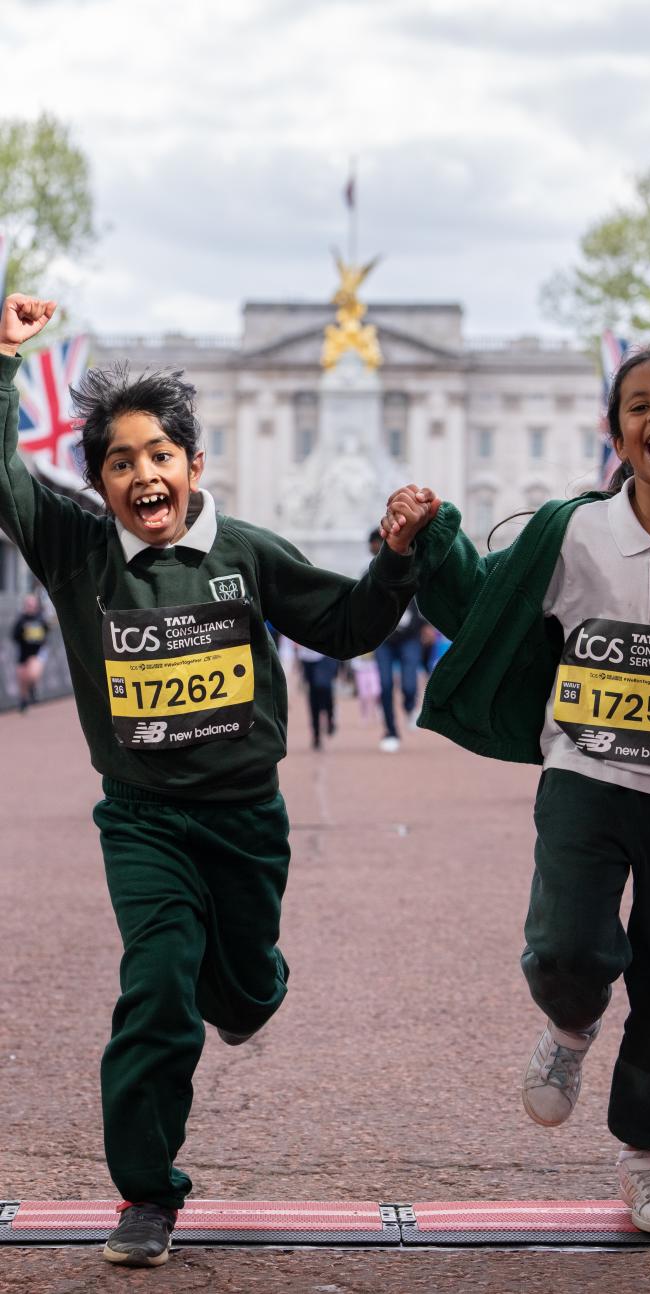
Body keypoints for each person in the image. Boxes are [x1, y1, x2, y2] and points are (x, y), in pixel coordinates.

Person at [0, 294, 431, 1268]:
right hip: (144, 820)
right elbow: (2, 478)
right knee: (156, 986)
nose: (143, 473)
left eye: (159, 454)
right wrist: (3, 362)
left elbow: (351, 625)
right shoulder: (76, 554)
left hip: (245, 820)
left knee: (240, 995)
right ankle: (147, 1193)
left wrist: (396, 557)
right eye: (120, 460)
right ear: (99, 482)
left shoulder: (246, 551)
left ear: (195, 466)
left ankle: (252, 985)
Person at [382, 345, 650, 1235]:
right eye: (638, 405)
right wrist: (433, 537)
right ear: (618, 435)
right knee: (564, 945)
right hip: (585, 773)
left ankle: (647, 1161)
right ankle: (568, 1028)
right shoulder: (573, 530)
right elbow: (489, 610)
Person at [367, 527, 425, 752]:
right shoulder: (370, 572)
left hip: (410, 636)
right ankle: (390, 731)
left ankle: (410, 705)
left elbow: (424, 600)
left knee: (409, 684)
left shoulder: (412, 568)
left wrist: (427, 627)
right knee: (385, 683)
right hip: (383, 639)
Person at [12, 590, 49, 711]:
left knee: (32, 674)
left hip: (37, 653)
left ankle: (33, 688)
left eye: (33, 604)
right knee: (22, 679)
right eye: (28, 604)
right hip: (23, 653)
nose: (31, 607)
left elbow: (46, 632)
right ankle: (23, 701)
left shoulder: (41, 619)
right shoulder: (21, 620)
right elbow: (14, 636)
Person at [297, 645, 338, 749]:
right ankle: (316, 734)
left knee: (323, 686)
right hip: (306, 656)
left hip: (325, 653)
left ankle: (330, 715)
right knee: (313, 694)